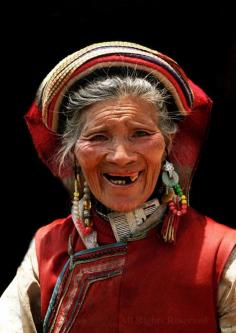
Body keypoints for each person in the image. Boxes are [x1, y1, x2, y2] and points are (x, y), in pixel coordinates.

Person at [0, 41, 235, 333]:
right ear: (73, 152)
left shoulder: (222, 254)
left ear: (168, 144)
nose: (121, 156)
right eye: (98, 137)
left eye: (141, 133)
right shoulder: (46, 250)